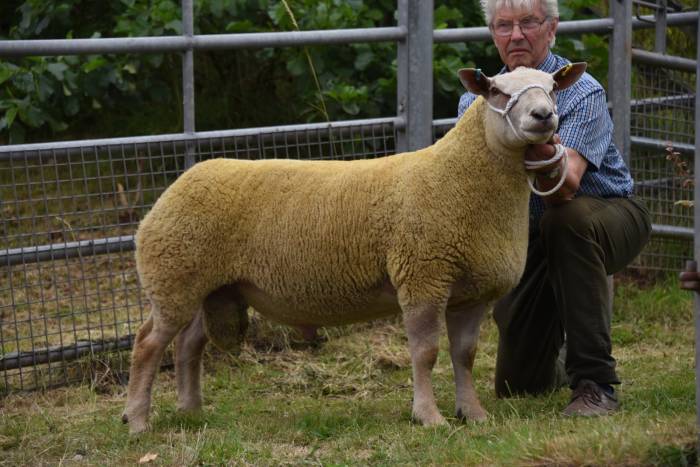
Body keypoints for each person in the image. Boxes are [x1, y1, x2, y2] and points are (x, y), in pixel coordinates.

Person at [458, 0, 651, 416]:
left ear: (552, 28)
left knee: (567, 220)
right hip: (529, 237)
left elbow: (566, 187)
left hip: (604, 213)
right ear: (493, 33)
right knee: (518, 384)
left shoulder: (580, 90)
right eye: (504, 25)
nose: (516, 35)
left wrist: (536, 135)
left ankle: (595, 383)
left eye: (529, 22)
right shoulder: (475, 103)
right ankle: (560, 353)